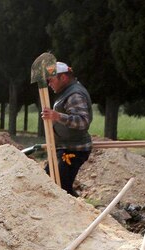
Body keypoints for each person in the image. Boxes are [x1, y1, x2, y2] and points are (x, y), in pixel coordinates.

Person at [41, 61, 92, 197]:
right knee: (48, 181)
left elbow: (82, 121)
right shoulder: (67, 92)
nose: (49, 84)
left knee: (61, 188)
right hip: (65, 147)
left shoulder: (74, 95)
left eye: (51, 80)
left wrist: (57, 116)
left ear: (62, 77)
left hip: (74, 150)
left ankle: (80, 214)